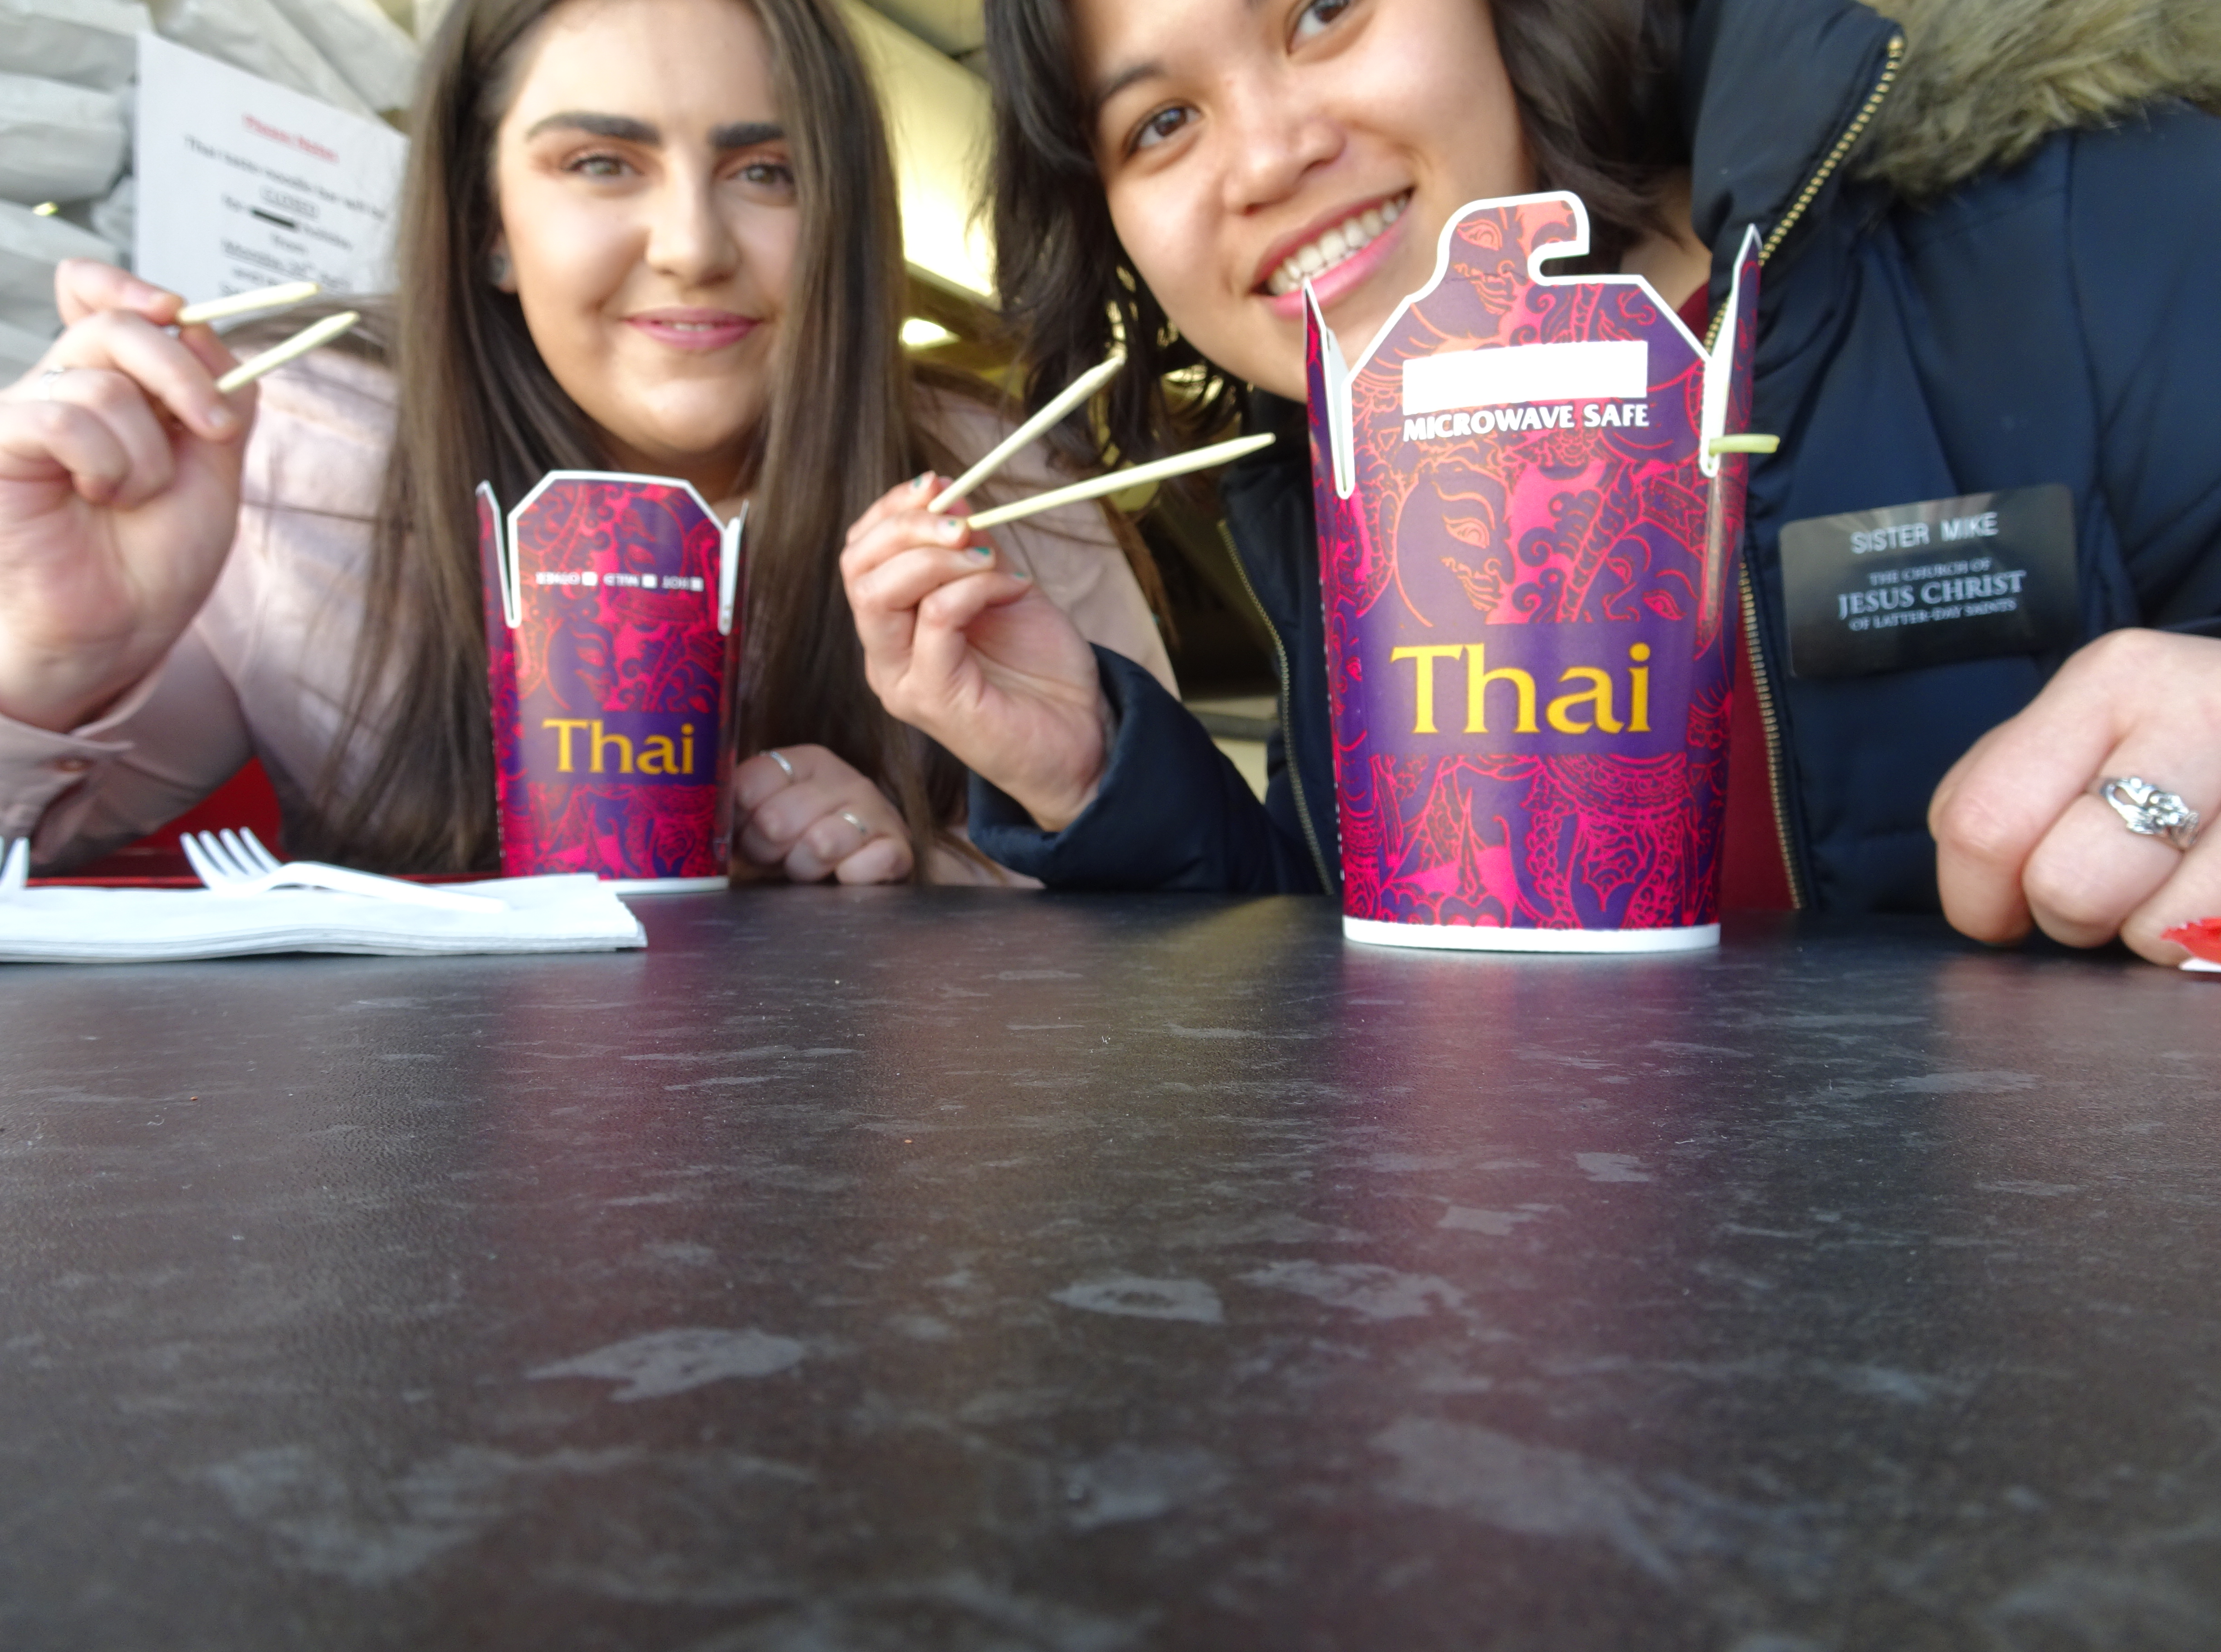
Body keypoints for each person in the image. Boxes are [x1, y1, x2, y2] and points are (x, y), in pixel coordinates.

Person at [841, 0, 2221, 962]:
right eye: (1159, 123)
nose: (1267, 157)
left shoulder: (2080, 217)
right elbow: (1389, 962)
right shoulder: (1332, 479)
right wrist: (1097, 771)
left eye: (1323, 10)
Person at [0, 0, 1172, 885]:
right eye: (602, 165)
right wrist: (49, 654)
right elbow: (37, 852)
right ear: (489, 223)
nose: (692, 246)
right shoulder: (300, 456)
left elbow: (1169, 906)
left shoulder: (1000, 484)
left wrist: (934, 874)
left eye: (768, 173)